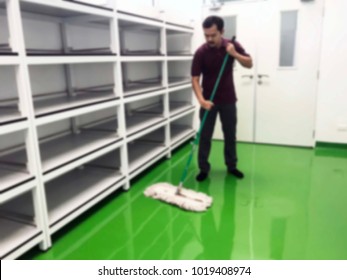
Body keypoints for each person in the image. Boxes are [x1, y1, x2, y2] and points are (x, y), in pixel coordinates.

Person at [191, 15, 253, 182]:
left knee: (230, 135)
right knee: (205, 136)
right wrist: (201, 101)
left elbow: (249, 63)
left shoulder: (231, 46)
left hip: (228, 100)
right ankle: (204, 168)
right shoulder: (201, 52)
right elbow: (195, 79)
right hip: (208, 101)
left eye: (213, 35)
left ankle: (231, 166)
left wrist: (234, 54)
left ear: (222, 31)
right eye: (206, 35)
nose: (209, 39)